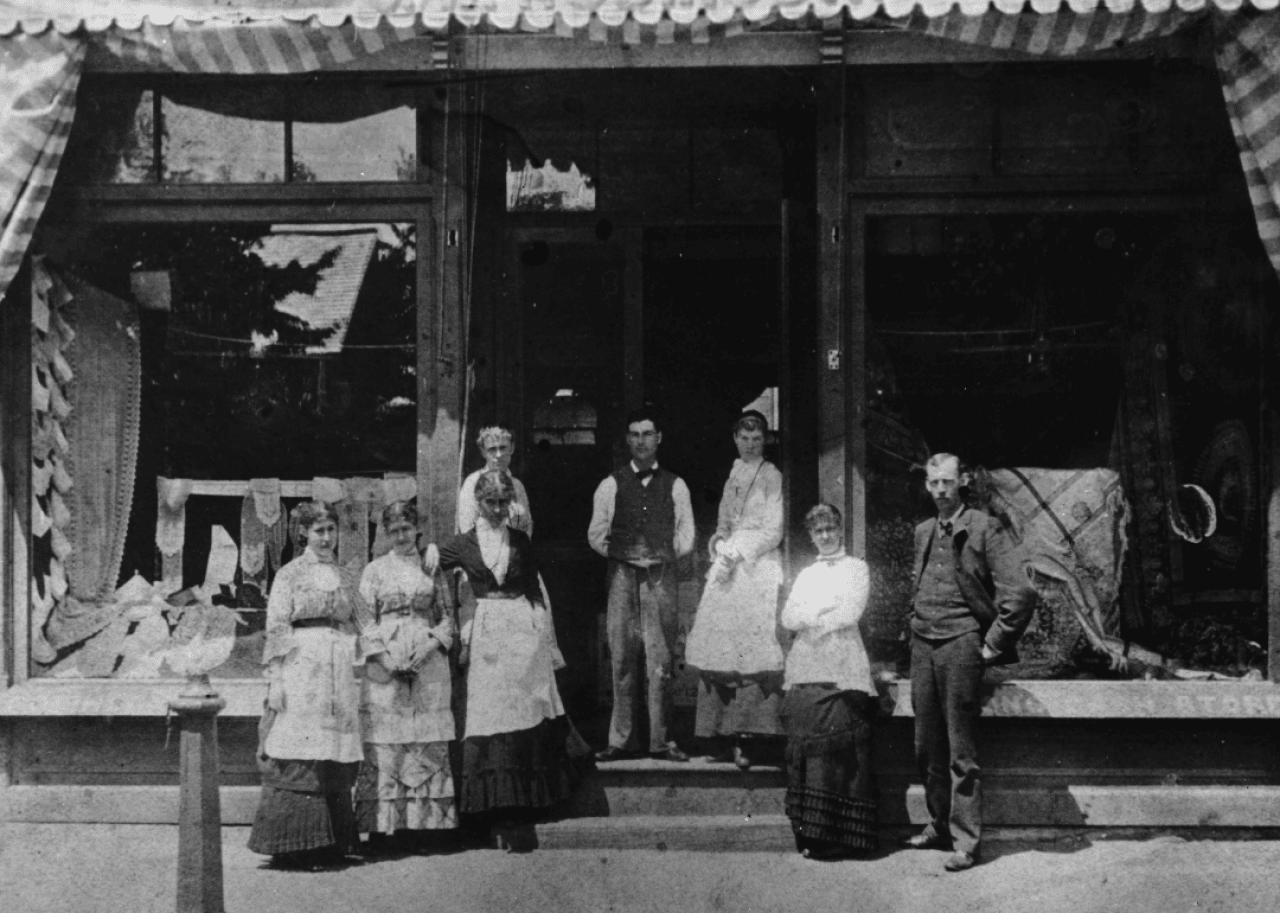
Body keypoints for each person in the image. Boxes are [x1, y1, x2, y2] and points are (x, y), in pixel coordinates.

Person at [899, 453, 1034, 872]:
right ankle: (938, 824)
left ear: (963, 482)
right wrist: (913, 621)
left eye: (947, 482)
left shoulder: (984, 526)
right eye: (933, 482)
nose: (939, 490)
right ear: (926, 485)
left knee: (961, 749)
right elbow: (918, 586)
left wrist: (990, 646)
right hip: (923, 644)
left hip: (961, 645)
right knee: (926, 746)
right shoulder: (923, 531)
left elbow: (1022, 593)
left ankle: (966, 842)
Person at [439, 470, 583, 822]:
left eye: (504, 502)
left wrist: (543, 636)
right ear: (478, 503)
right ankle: (496, 807)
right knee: (492, 712)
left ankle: (530, 802)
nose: (497, 508)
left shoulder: (520, 540)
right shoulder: (463, 543)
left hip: (522, 629)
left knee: (527, 706)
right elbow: (430, 567)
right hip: (487, 631)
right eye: (491, 502)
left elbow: (534, 588)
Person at [248, 500, 382, 869]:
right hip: (301, 665)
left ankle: (333, 842)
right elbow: (276, 627)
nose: (326, 538)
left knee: (330, 750)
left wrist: (388, 658)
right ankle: (297, 845)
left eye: (331, 530)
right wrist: (275, 680)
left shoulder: (345, 576)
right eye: (319, 530)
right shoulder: (289, 574)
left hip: (337, 668)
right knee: (302, 747)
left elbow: (366, 622)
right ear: (304, 533)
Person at [588, 407, 695, 763]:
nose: (641, 441)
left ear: (658, 438)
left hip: (661, 578)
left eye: (647, 434)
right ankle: (621, 740)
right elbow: (596, 535)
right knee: (621, 658)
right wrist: (625, 556)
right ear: (627, 440)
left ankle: (662, 741)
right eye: (634, 434)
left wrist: (660, 556)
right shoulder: (610, 483)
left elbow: (687, 536)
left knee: (661, 660)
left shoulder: (676, 485)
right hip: (622, 576)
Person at [684, 411, 786, 769]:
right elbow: (725, 522)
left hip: (756, 566)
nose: (750, 444)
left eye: (757, 439)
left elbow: (774, 530)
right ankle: (718, 735)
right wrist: (721, 544)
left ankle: (747, 736)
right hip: (728, 564)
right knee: (719, 646)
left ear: (765, 440)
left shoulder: (772, 476)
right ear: (735, 439)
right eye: (744, 438)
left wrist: (738, 552)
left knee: (749, 648)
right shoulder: (733, 473)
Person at [354, 500, 457, 851]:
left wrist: (428, 648)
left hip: (426, 663)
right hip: (386, 664)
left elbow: (447, 619)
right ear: (385, 534)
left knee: (423, 742)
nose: (400, 536)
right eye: (393, 530)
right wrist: (386, 658)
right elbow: (365, 621)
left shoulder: (431, 567)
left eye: (406, 529)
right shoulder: (375, 570)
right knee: (387, 745)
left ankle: (424, 828)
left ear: (417, 529)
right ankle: (384, 829)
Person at [779, 504, 878, 860]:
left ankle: (844, 837)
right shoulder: (805, 573)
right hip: (807, 666)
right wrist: (820, 614)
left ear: (840, 530)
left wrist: (815, 618)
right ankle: (814, 836)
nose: (825, 536)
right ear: (811, 535)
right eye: (818, 531)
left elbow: (852, 611)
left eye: (831, 529)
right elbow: (789, 617)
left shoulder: (857, 568)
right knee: (809, 746)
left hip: (842, 664)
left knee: (841, 751)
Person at [457, 426, 532, 538]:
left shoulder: (517, 486)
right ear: (483, 452)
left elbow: (526, 526)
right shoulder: (472, 484)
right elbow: (467, 529)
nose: (498, 455)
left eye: (503, 448)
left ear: (512, 448)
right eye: (492, 449)